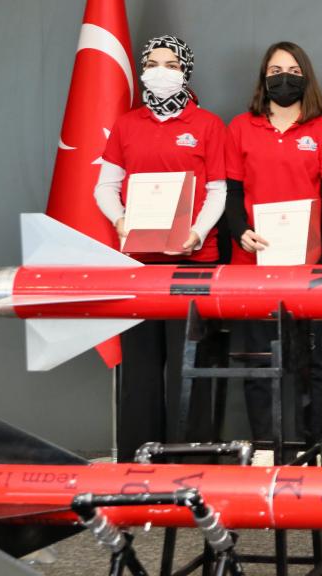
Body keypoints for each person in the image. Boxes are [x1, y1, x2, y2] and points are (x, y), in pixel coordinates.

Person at [94, 34, 227, 460]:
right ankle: (140, 458)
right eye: (153, 63)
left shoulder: (208, 125)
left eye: (172, 65)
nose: (161, 72)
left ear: (186, 72)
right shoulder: (127, 125)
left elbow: (218, 191)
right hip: (138, 264)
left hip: (193, 262)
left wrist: (198, 232)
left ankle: (193, 459)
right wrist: (120, 219)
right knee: (141, 367)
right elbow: (105, 186)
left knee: (190, 365)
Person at [223, 42, 322, 447]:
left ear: (306, 77)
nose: (284, 78)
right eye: (275, 70)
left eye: (293, 71)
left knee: (309, 364)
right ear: (263, 77)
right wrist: (239, 230)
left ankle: (310, 450)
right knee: (260, 362)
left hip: (307, 269)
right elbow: (230, 192)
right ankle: (264, 449)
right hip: (252, 265)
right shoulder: (240, 127)